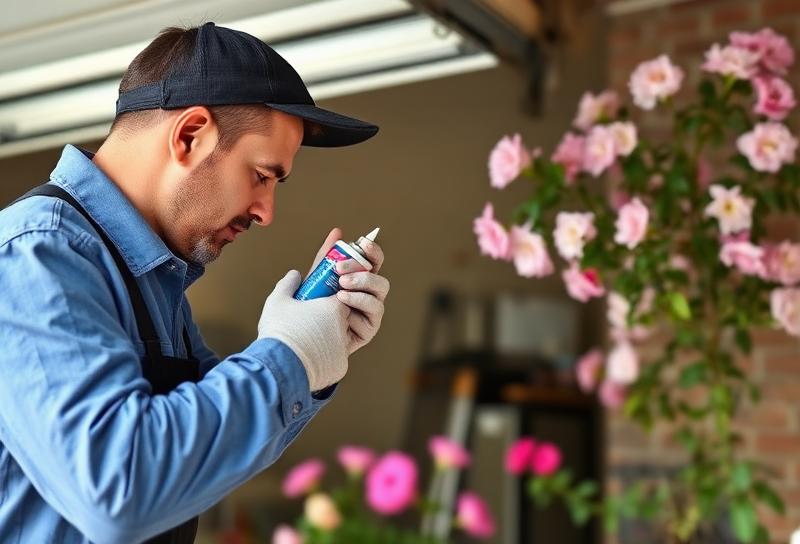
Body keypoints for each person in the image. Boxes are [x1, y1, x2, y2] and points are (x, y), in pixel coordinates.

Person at [0, 22, 389, 543]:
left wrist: (319, 351)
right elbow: (120, 491)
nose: (266, 211)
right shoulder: (37, 255)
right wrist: (290, 354)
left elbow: (199, 455)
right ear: (189, 135)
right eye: (262, 175)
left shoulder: (149, 279)